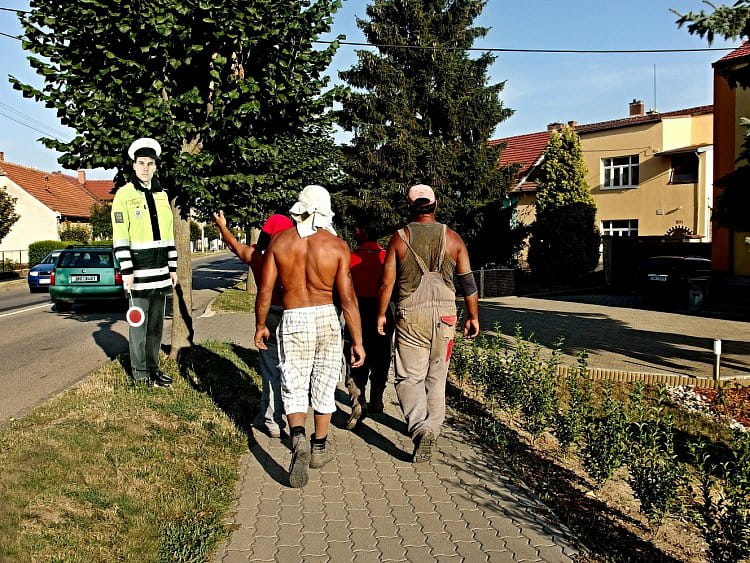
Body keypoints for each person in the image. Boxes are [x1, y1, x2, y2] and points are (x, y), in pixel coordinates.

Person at [254, 184, 365, 488]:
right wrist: (357, 340)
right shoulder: (337, 245)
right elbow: (348, 299)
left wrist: (260, 325)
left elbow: (265, 291)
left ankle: (298, 440)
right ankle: (318, 449)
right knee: (325, 383)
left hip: (293, 317)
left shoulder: (280, 242)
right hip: (327, 317)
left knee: (293, 382)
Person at [376, 184, 479, 463]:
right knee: (437, 376)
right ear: (436, 204)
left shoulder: (399, 239)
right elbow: (468, 284)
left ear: (409, 206)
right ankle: (432, 428)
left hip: (410, 316)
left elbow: (387, 282)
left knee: (409, 377)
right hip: (446, 317)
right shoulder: (454, 239)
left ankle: (421, 429)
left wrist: (381, 313)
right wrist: (473, 316)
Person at [213, 211, 294, 438]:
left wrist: (222, 225)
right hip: (293, 315)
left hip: (269, 316)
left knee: (270, 370)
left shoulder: (258, 256)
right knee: (293, 369)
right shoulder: (296, 255)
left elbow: (233, 244)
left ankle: (271, 419)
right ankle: (293, 417)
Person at [112, 138, 178, 387]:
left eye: (150, 163)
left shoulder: (162, 195)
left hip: (161, 271)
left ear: (155, 166)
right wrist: (126, 270)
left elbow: (169, 236)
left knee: (156, 327)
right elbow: (121, 236)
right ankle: (140, 374)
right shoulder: (124, 195)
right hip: (137, 273)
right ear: (133, 165)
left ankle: (153, 368)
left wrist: (173, 268)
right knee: (138, 326)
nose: (145, 168)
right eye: (141, 163)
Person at [344, 220, 394, 429]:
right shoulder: (386, 257)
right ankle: (377, 399)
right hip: (382, 311)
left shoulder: (350, 258)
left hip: (356, 311)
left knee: (355, 356)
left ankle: (357, 399)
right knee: (382, 358)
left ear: (361, 233)